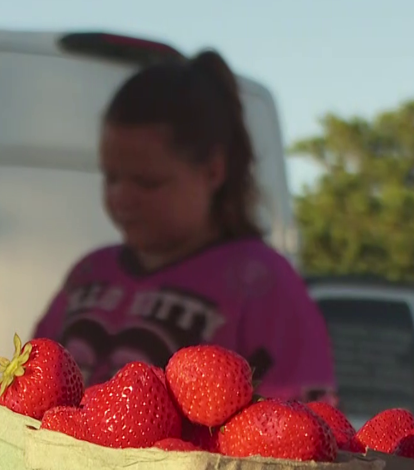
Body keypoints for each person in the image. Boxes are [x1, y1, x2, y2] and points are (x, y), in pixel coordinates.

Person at [33, 49, 336, 403]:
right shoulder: (89, 271)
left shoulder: (264, 284)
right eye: (111, 177)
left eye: (147, 182)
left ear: (212, 170)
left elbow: (301, 431)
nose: (121, 198)